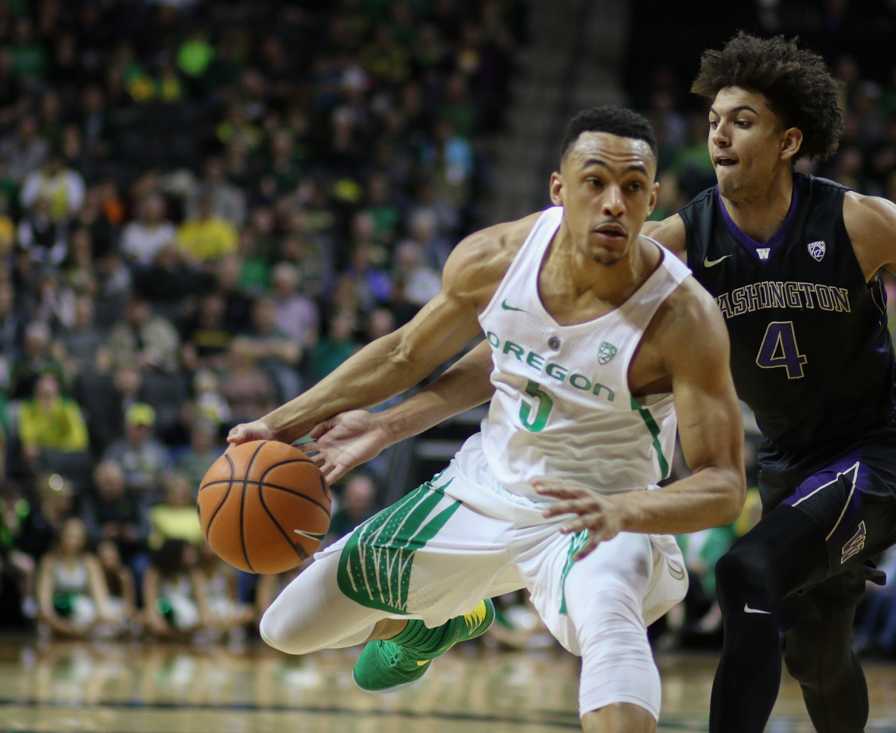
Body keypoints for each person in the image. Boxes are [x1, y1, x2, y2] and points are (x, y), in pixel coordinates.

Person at [305, 34, 896, 733]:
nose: (719, 132)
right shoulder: (679, 243)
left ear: (789, 140)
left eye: (743, 119)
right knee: (817, 651)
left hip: (882, 450)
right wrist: (395, 418)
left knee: (745, 572)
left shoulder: (859, 221)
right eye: (714, 119)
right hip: (793, 464)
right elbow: (542, 353)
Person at [228, 107, 747, 733]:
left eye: (632, 187)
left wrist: (625, 512)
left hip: (598, 513)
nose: (614, 202)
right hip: (483, 491)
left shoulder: (683, 317)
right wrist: (283, 424)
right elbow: (404, 354)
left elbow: (724, 486)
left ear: (652, 198)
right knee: (286, 628)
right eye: (595, 182)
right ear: (559, 188)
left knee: (609, 625)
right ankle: (440, 621)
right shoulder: (497, 259)